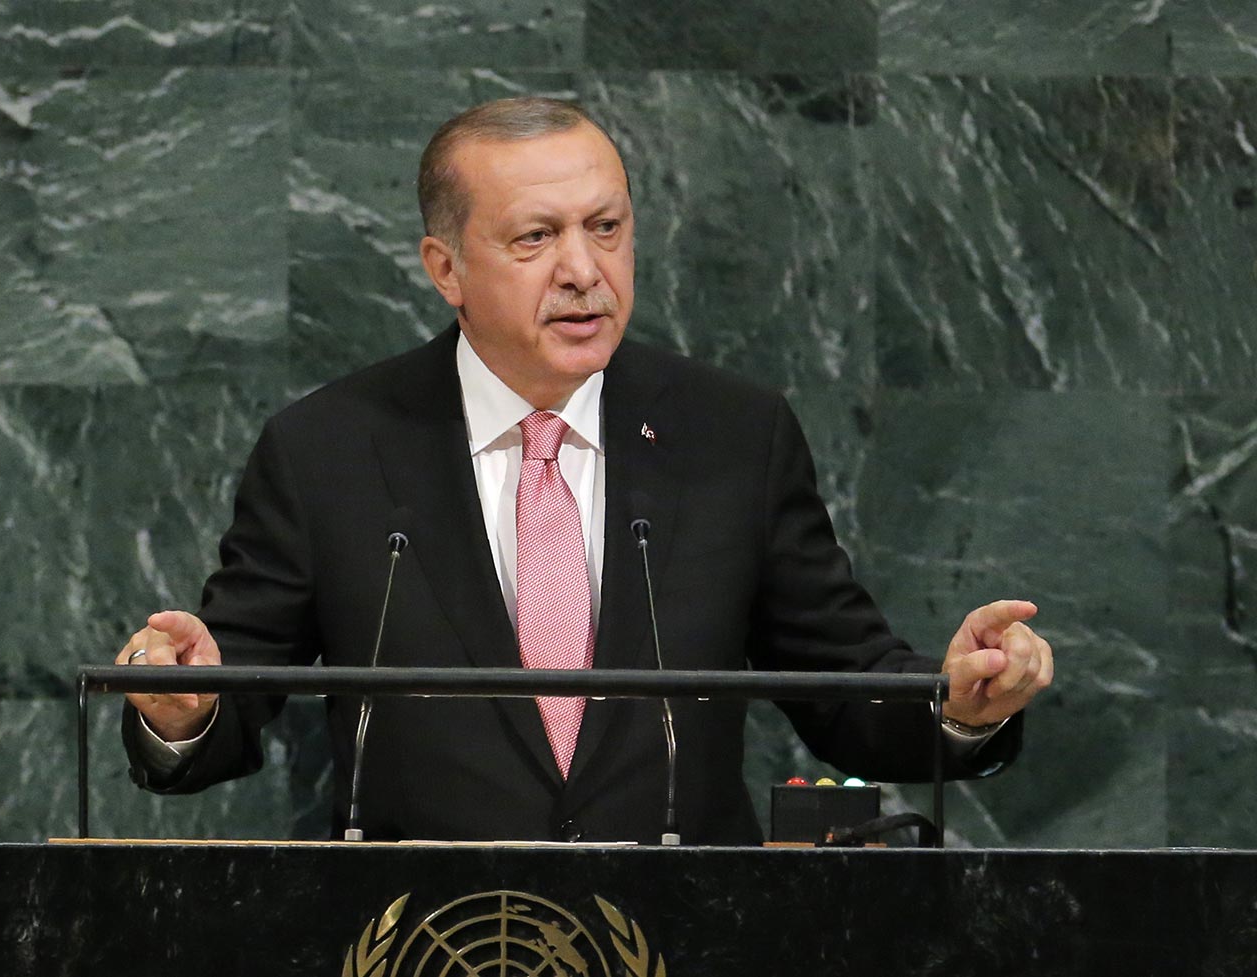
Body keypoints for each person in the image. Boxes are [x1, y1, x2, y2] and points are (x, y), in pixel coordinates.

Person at [116, 97, 1053, 844]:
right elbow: (224, 702)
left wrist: (960, 701)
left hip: (684, 935)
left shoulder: (733, 435)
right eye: (535, 238)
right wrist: (179, 707)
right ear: (444, 267)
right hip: (429, 941)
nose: (582, 269)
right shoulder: (328, 450)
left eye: (606, 227)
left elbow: (848, 691)